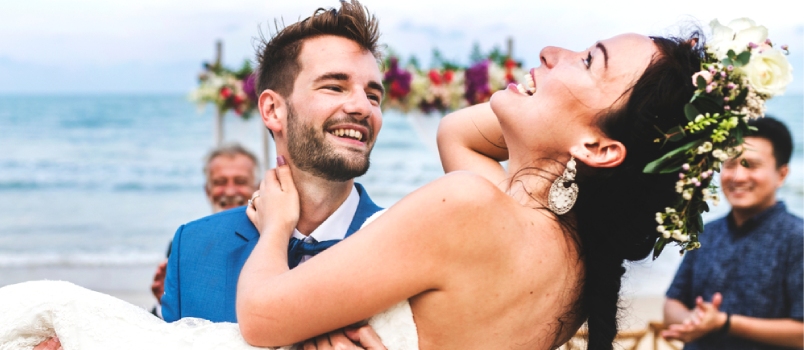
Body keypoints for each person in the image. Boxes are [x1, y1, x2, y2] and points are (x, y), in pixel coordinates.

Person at [3, 13, 777, 350]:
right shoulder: (564, 261)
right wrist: (551, 128)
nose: (552, 52)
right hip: (574, 170)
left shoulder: (472, 206)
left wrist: (273, 223)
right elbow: (455, 130)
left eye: (587, 61)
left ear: (601, 150)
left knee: (45, 306)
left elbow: (267, 317)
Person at [159, 0, 384, 325]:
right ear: (273, 110)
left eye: (374, 95)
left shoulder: (407, 243)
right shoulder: (193, 248)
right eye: (335, 87)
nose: (363, 107)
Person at [662, 117, 803, 349]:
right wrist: (696, 322)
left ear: (782, 174)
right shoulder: (707, 233)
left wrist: (724, 323)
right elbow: (672, 304)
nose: (737, 177)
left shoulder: (797, 238)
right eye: (729, 164)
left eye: (751, 165)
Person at [149, 143, 260, 317]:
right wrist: (165, 303)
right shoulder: (183, 244)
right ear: (208, 191)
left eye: (240, 182)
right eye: (220, 182)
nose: (230, 191)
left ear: (257, 188)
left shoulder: (272, 239)